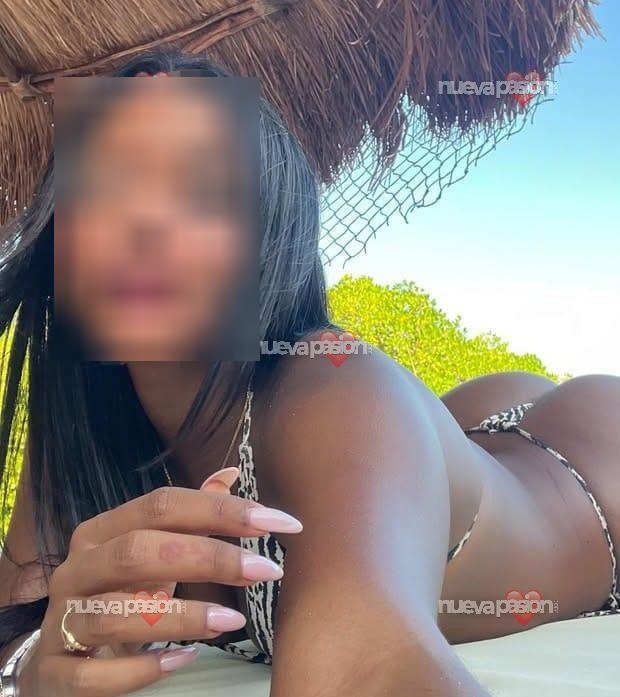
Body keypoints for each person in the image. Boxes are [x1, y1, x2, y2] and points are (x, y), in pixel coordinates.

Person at [0, 51, 618, 697]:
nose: (143, 221)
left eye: (203, 192)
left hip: (593, 469)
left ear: (270, 236)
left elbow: (371, 668)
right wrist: (34, 665)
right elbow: (18, 619)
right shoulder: (80, 417)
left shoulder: (330, 381)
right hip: (460, 437)